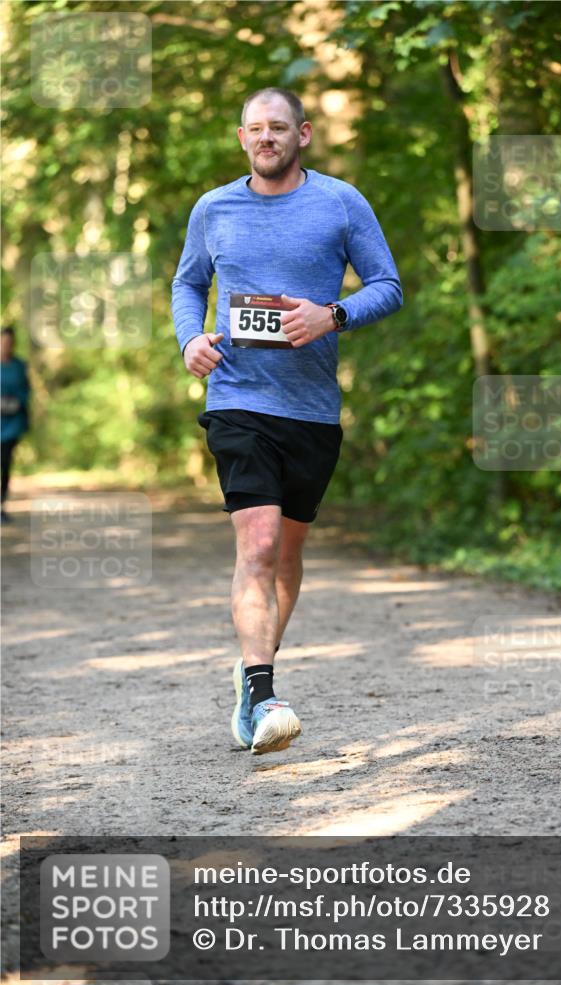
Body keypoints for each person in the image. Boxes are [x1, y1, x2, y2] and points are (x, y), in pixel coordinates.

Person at [171, 87, 402, 755]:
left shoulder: (339, 202)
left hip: (311, 409)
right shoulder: (213, 208)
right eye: (254, 129)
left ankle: (249, 678)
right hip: (237, 399)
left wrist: (333, 315)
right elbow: (188, 283)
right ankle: (264, 691)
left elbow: (387, 284)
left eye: (278, 127)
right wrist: (191, 339)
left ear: (302, 134)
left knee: (288, 556)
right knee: (260, 546)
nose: (266, 137)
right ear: (241, 138)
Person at [1, 326, 31, 524]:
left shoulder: (19, 365)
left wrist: (14, 402)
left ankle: (1, 504)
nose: (6, 345)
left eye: (9, 342)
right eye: (3, 341)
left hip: (11, 424)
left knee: (5, 463)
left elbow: (26, 392)